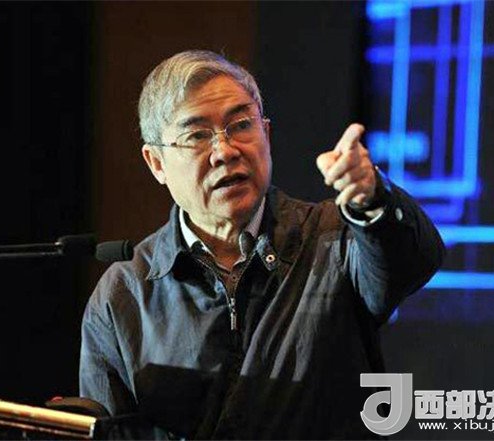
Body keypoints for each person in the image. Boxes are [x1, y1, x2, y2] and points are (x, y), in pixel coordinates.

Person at [80, 50, 445, 439]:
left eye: (240, 125)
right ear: (156, 163)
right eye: (197, 135)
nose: (225, 151)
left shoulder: (333, 239)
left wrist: (373, 198)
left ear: (266, 136)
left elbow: (415, 260)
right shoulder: (124, 295)